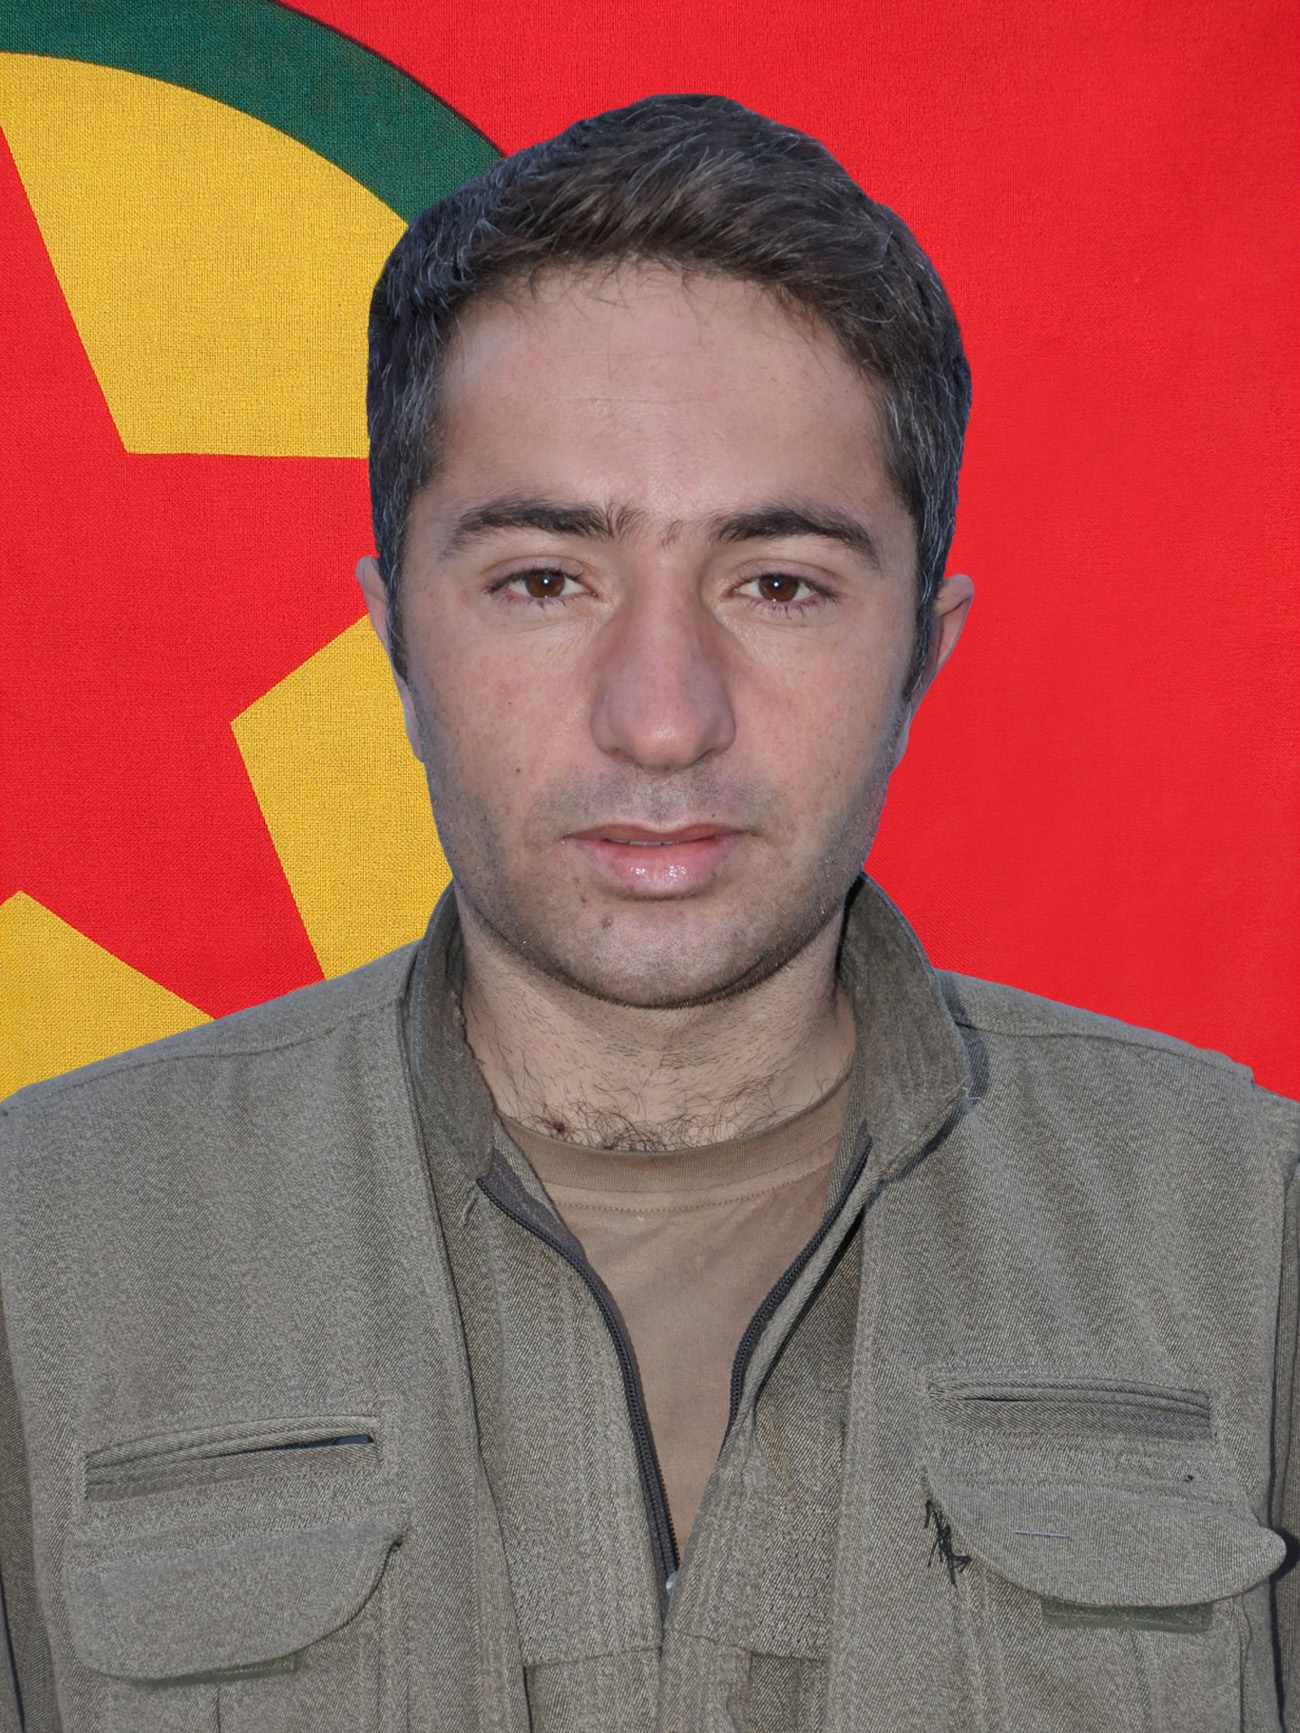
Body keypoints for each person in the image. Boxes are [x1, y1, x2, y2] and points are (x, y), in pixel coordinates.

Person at [0, 93, 1296, 1733]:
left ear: (925, 648)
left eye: (780, 583)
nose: (665, 716)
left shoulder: (1252, 1238)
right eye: (547, 579)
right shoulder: (40, 1252)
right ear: (393, 634)